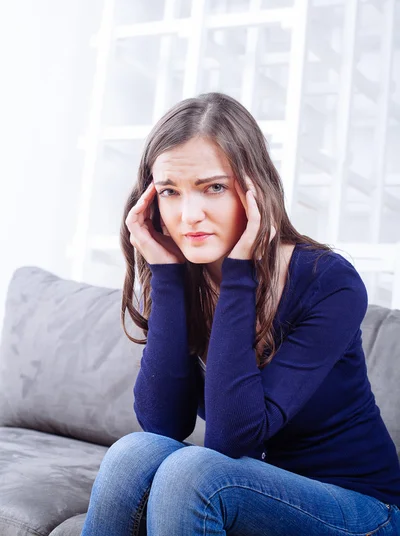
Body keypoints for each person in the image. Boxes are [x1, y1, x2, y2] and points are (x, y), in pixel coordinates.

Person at [81, 92, 400, 536]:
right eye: (170, 192)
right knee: (133, 453)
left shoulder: (330, 283)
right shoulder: (183, 274)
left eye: (214, 187)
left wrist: (240, 272)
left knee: (193, 476)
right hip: (252, 491)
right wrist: (167, 277)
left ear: (254, 190)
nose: (189, 215)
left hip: (359, 507)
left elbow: (233, 439)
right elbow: (164, 425)